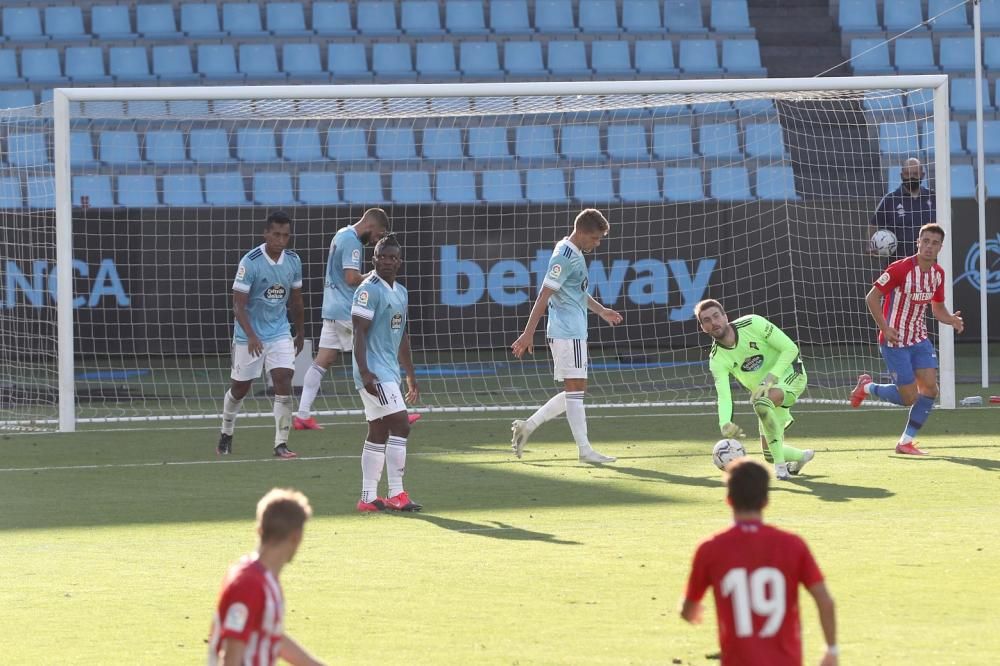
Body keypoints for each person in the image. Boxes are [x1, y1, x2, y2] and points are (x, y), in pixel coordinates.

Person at [681, 458, 839, 666]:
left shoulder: (710, 548)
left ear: (728, 499)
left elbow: (688, 609)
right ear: (765, 500)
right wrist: (831, 650)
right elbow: (825, 601)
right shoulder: (792, 545)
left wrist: (692, 611)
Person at [510, 209, 623, 464]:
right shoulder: (564, 256)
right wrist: (528, 334)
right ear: (582, 232)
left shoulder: (573, 251)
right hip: (566, 332)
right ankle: (584, 451)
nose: (598, 243)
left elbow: (575, 292)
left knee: (577, 390)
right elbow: (544, 295)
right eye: (595, 238)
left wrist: (601, 310)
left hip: (574, 331)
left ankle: (527, 426)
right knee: (575, 390)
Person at [850, 223, 964, 455]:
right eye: (926, 241)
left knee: (930, 389)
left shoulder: (938, 274)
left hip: (919, 339)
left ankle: (905, 442)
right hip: (895, 342)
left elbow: (938, 309)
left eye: (934, 243)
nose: (929, 247)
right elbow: (871, 298)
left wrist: (950, 319)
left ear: (940, 247)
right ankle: (867, 386)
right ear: (918, 242)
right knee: (909, 397)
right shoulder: (900, 269)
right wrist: (885, 327)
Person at [292, 208, 396, 430]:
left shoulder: (341, 233)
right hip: (346, 310)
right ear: (370, 226)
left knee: (324, 360)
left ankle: (302, 415)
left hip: (331, 307)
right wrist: (375, 273)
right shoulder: (352, 242)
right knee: (372, 357)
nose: (377, 240)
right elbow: (351, 278)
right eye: (378, 235)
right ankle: (391, 412)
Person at [695, 299, 814, 481]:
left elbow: (790, 348)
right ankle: (801, 457)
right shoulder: (716, 359)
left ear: (725, 316)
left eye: (716, 316)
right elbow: (724, 396)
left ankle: (781, 468)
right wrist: (725, 422)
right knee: (768, 453)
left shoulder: (753, 323)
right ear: (703, 327)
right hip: (765, 394)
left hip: (791, 373)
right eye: (707, 320)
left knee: (760, 403)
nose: (713, 323)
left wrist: (771, 378)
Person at [217, 211, 303, 459]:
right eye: (276, 234)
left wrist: (300, 333)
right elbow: (238, 305)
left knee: (284, 379)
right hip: (249, 336)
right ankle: (226, 431)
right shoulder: (250, 262)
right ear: (265, 233)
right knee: (240, 388)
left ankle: (281, 443)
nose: (280, 240)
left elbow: (297, 301)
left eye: (285, 235)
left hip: (279, 332)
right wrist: (252, 335)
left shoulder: (293, 261)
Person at [208, 487, 325, 666]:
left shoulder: (265, 580)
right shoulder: (248, 583)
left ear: (259, 530)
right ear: (296, 537)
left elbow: (272, 637)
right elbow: (230, 657)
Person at [351, 234, 422, 512]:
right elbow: (358, 332)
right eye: (383, 256)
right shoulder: (368, 290)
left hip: (389, 371)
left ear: (399, 261)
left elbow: (401, 335)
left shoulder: (400, 292)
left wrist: (410, 374)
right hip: (374, 373)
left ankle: (368, 498)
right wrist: (364, 370)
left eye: (393, 257)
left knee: (378, 431)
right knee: (401, 424)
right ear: (374, 259)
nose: (388, 261)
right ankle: (396, 493)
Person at [867, 157, 935, 260]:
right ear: (902, 175)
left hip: (929, 262)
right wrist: (871, 245)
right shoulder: (890, 199)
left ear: (922, 175)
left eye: (915, 174)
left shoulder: (933, 197)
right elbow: (873, 224)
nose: (911, 177)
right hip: (899, 262)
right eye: (907, 174)